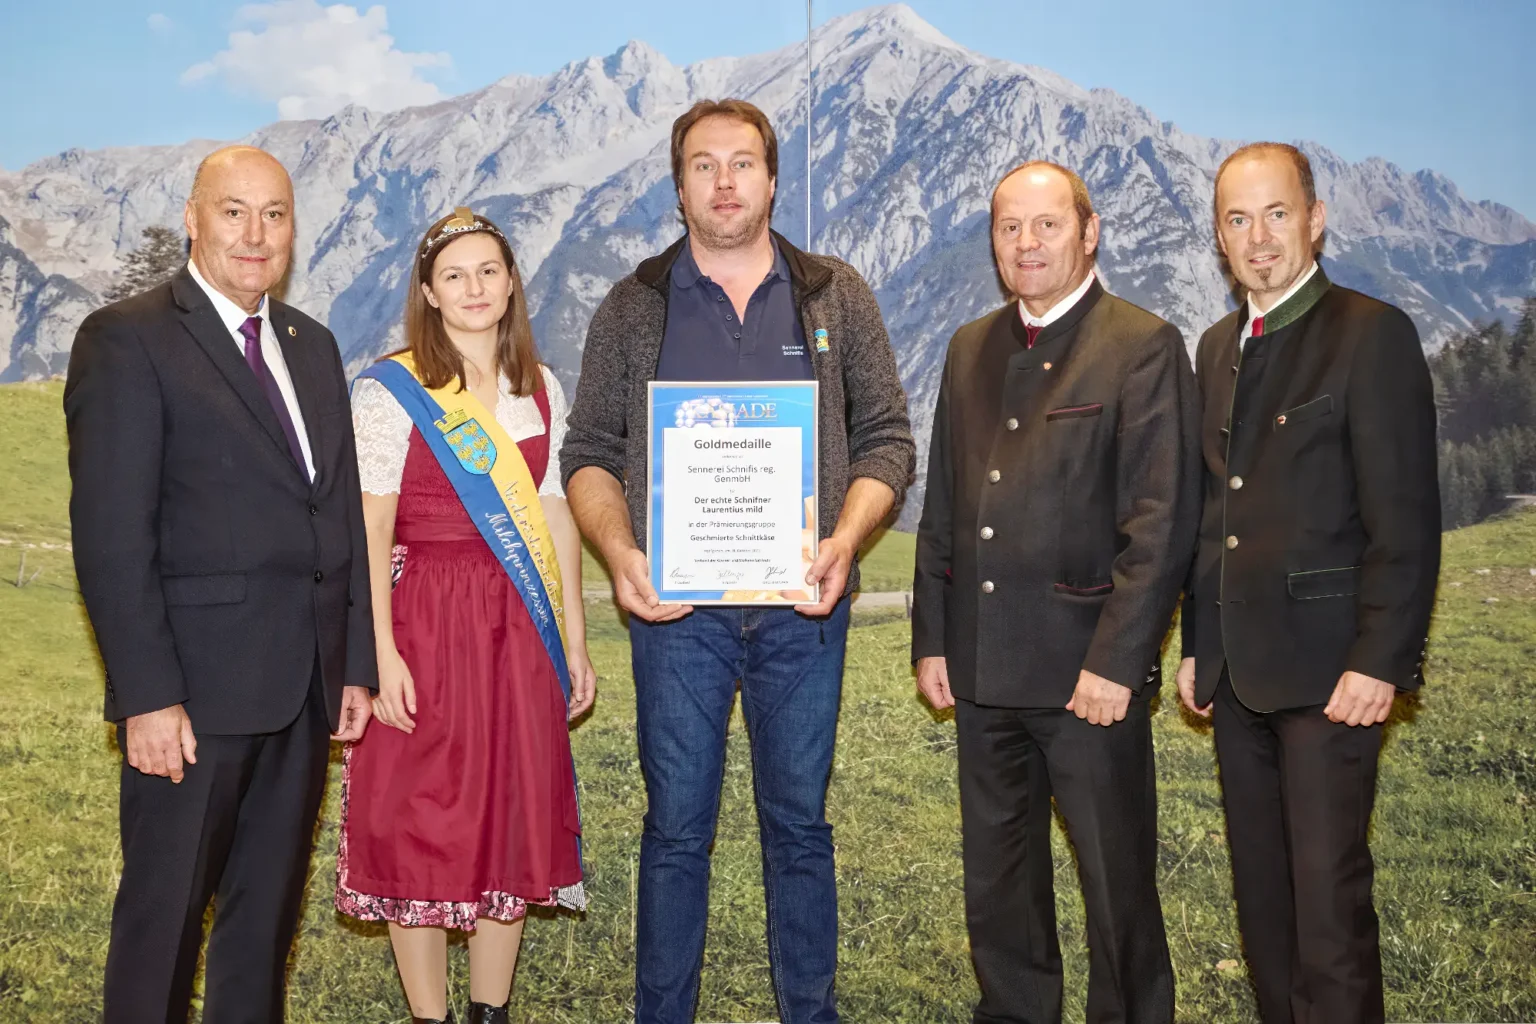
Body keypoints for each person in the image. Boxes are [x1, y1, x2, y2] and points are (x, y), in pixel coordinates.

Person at [560, 99, 914, 1024]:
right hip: (679, 618)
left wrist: (846, 538)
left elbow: (886, 438)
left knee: (799, 829)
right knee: (676, 831)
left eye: (743, 163)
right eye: (705, 165)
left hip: (805, 610)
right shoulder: (633, 303)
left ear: (771, 177)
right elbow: (590, 450)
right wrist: (622, 550)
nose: (725, 182)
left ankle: (812, 1013)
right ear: (679, 187)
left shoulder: (835, 293)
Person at [64, 145, 376, 1022]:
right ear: (194, 218)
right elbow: (112, 540)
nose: (255, 233)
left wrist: (352, 663)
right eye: (234, 211)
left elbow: (338, 514)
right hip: (192, 703)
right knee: (162, 929)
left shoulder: (310, 345)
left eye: (274, 214)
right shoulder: (127, 338)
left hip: (303, 695)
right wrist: (147, 697)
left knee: (262, 929)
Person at [912, 161, 1200, 1024]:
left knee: (1117, 891)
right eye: (1009, 228)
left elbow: (1162, 523)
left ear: (1089, 230)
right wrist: (933, 637)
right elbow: (946, 508)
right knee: (998, 883)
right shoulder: (970, 346)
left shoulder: (1141, 345)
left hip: (1089, 680)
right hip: (984, 668)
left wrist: (1118, 662)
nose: (1026, 244)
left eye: (1045, 225)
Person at [1175, 143, 1440, 1024]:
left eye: (1276, 214)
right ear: (1219, 238)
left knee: (1329, 912)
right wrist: (1198, 647)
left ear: (1316, 218)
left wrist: (1382, 660)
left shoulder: (1373, 333)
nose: (1258, 239)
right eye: (1238, 220)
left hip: (1335, 680)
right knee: (1265, 910)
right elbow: (1215, 515)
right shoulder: (1216, 349)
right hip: (1238, 679)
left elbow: (1404, 523)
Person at [335, 208, 595, 1024]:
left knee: (510, 808)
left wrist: (577, 642)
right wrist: (378, 652)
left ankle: (491, 1011)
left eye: (489, 271)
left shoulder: (541, 388)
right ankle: (429, 1018)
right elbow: (372, 528)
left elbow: (555, 518)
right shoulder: (391, 390)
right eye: (455, 275)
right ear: (428, 292)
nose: (474, 288)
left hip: (519, 625)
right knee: (422, 814)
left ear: (512, 281)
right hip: (425, 619)